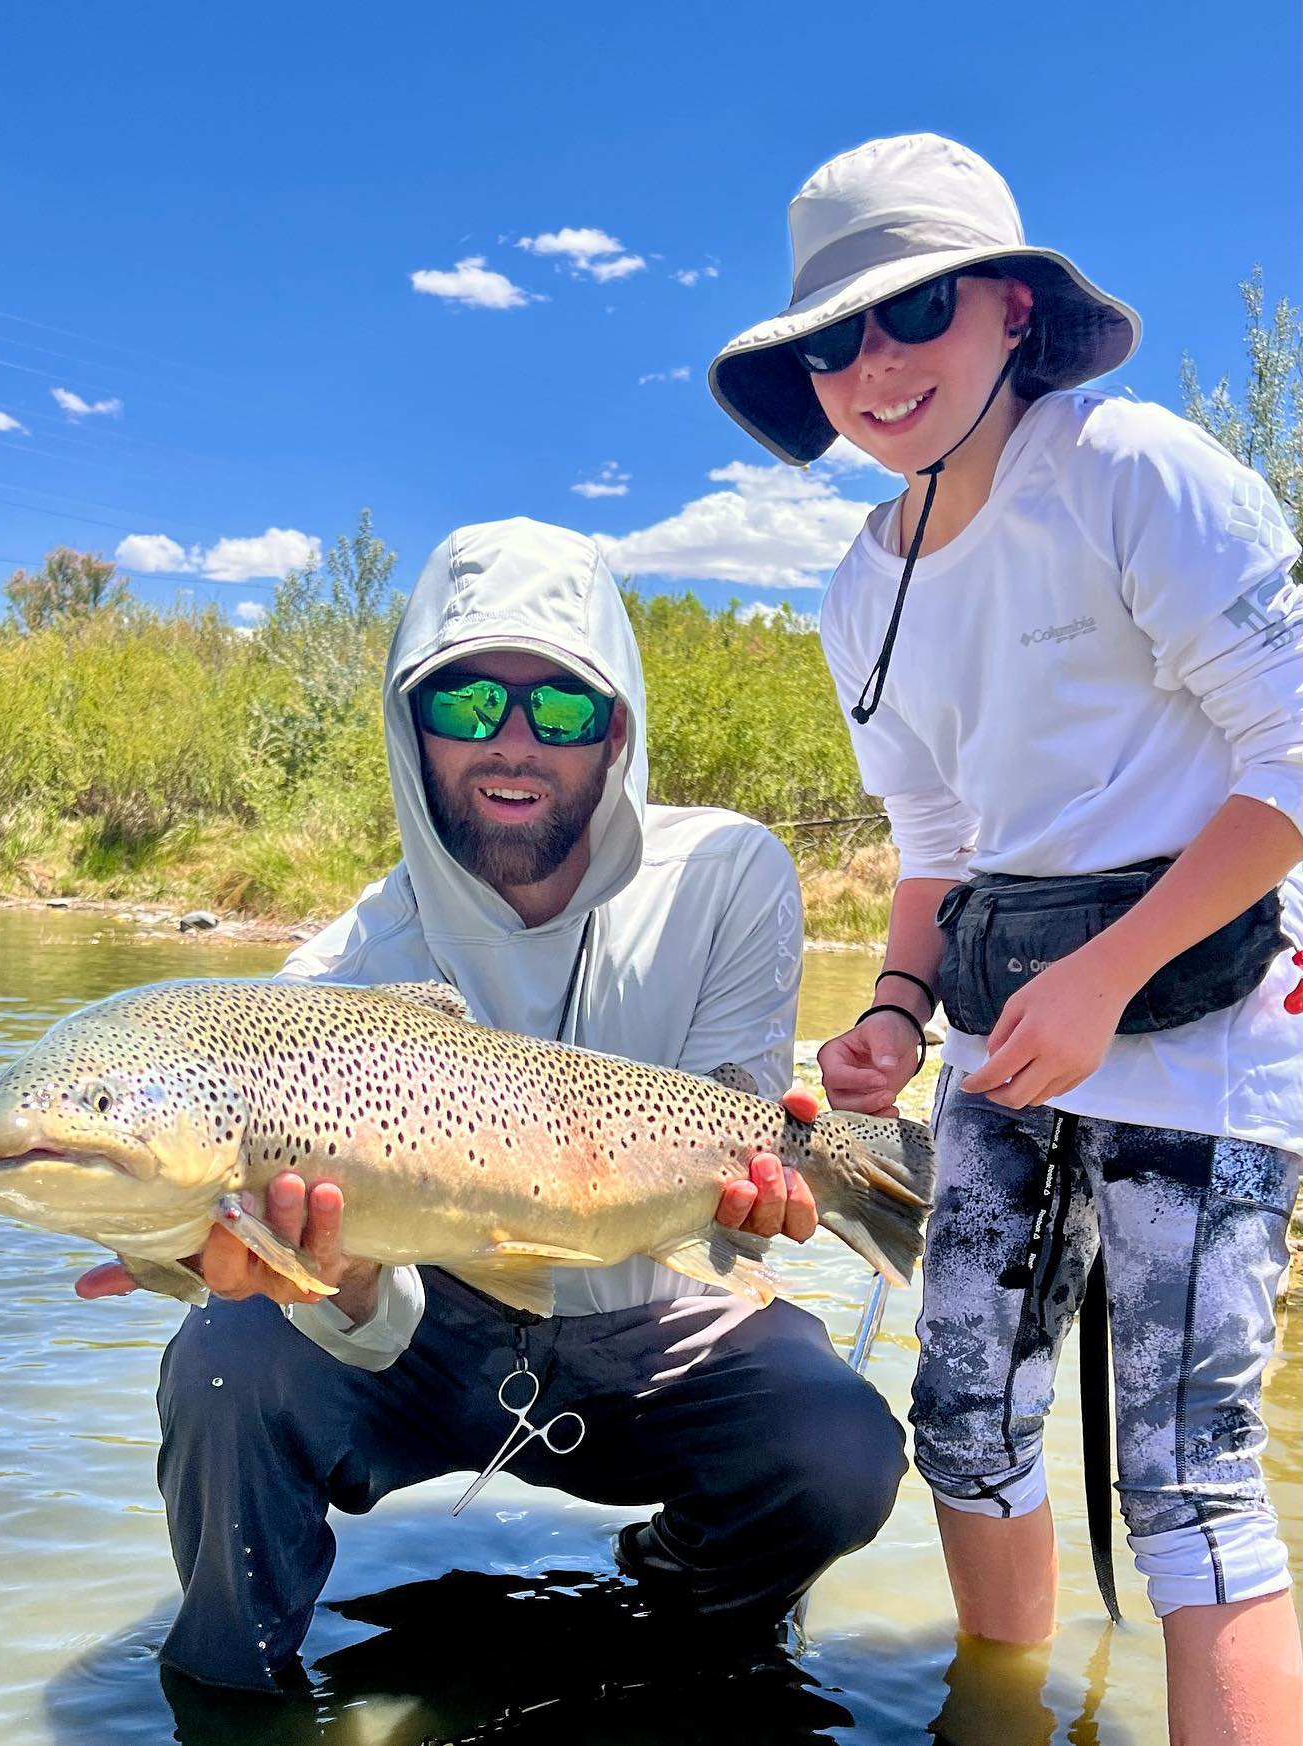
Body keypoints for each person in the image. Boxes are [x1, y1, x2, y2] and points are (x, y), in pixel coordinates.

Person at [79, 516, 907, 1692]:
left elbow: (738, 1125)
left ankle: (675, 1627)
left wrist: (768, 1196)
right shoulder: (334, 977)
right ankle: (230, 1693)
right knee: (223, 1351)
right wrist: (340, 1276)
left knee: (838, 1445)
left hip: (654, 1326)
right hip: (426, 1339)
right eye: (467, 705)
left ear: (615, 730)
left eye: (559, 710)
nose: (513, 744)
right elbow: (348, 1308)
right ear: (410, 725)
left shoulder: (729, 873)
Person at [709, 133, 1303, 1746]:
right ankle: (1001, 1716)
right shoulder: (857, 582)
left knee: (1184, 1472)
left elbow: (1293, 749)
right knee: (964, 1417)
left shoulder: (1132, 467)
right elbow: (941, 847)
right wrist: (895, 1009)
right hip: (1002, 1043)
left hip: (1205, 1028)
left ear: (1008, 310)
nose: (872, 366)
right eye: (831, 340)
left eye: (912, 314)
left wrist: (1111, 973)